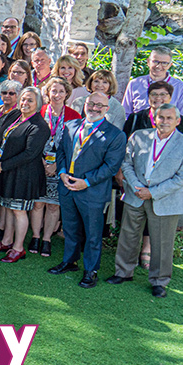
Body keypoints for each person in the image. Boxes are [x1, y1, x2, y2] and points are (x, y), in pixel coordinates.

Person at [108, 104, 183, 297]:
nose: (164, 121)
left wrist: (152, 192)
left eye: (169, 118)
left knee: (163, 242)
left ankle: (159, 281)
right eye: (161, 117)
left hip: (165, 200)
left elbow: (181, 179)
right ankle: (123, 272)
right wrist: (136, 187)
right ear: (154, 119)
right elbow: (126, 163)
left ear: (177, 121)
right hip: (136, 194)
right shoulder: (138, 136)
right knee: (128, 236)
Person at [49, 91, 127, 287]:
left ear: (106, 109)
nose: (94, 108)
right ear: (85, 104)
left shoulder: (115, 135)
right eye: (91, 103)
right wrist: (62, 173)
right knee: (70, 228)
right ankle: (70, 261)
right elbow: (61, 152)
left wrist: (87, 182)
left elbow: (111, 166)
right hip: (67, 186)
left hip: (92, 191)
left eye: (99, 105)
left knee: (93, 234)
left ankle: (91, 270)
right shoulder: (70, 126)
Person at [0, 86, 49, 263]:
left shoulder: (39, 126)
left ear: (38, 104)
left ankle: (18, 248)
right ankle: (6, 242)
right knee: (7, 207)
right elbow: (0, 134)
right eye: (23, 99)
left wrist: (2, 165)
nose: (25, 103)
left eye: (30, 100)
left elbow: (30, 154)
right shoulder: (15, 115)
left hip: (24, 175)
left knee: (18, 211)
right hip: (7, 171)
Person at [30, 78, 82, 257]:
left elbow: (74, 145)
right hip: (38, 163)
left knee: (53, 206)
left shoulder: (74, 116)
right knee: (37, 203)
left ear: (67, 94)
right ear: (47, 93)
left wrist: (56, 165)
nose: (57, 95)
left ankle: (47, 239)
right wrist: (42, 161)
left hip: (60, 167)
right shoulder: (39, 111)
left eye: (61, 91)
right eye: (53, 91)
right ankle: (35, 236)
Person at [122, 48, 183, 118]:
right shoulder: (135, 84)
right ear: (148, 62)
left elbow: (182, 116)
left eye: (164, 63)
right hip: (140, 124)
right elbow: (125, 113)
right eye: (155, 61)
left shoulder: (180, 87)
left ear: (170, 65)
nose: (158, 66)